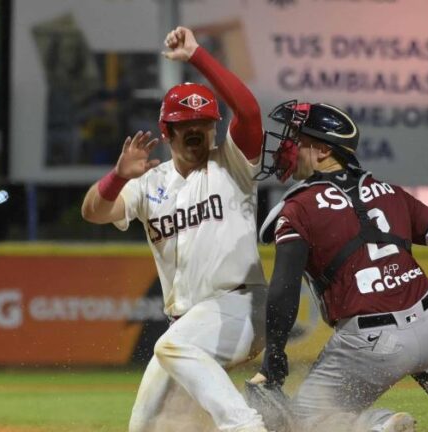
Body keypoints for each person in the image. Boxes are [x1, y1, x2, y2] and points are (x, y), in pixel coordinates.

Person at [248, 101, 428, 432]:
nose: (286, 146)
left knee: (302, 423)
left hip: (373, 339)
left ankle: (378, 426)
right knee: (425, 348)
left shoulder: (298, 208)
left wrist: (274, 355)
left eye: (296, 138)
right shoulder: (391, 192)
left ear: (323, 150)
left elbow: (284, 290)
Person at [81, 27, 268, 432]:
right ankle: (364, 425)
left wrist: (198, 54)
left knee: (172, 345)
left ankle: (244, 425)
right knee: (144, 426)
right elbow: (93, 212)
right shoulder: (147, 183)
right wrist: (116, 176)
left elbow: (250, 112)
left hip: (240, 307)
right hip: (187, 325)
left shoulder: (232, 164)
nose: (198, 130)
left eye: (206, 122)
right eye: (187, 124)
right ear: (167, 132)